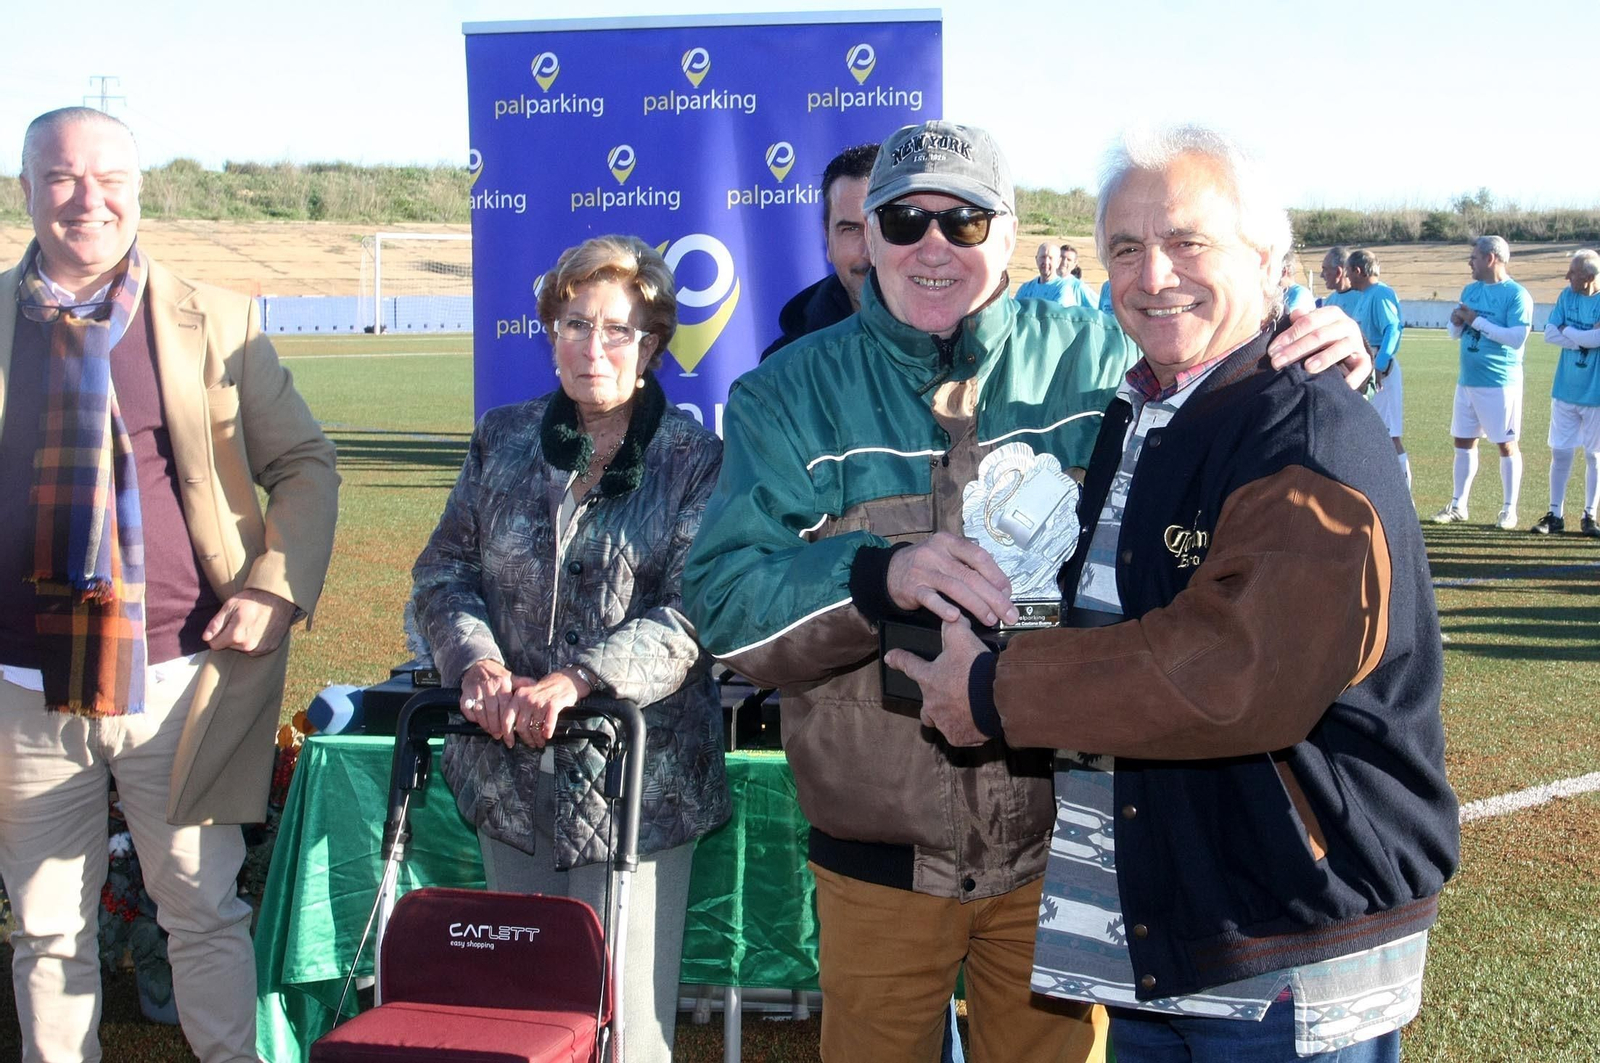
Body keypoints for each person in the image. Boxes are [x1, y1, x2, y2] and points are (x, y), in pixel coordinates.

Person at [683, 118, 1370, 1063]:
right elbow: (724, 601)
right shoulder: (788, 393)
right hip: (880, 855)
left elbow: (1227, 378)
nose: (932, 245)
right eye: (904, 220)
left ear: (1008, 235)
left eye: (963, 222)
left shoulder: (1103, 363)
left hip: (1070, 851)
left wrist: (1304, 346)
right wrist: (878, 575)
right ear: (862, 237)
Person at [890, 124, 1457, 1062]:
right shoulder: (1147, 404)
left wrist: (994, 691)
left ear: (1268, 259)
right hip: (1175, 931)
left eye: (1189, 242)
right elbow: (1119, 615)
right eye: (1125, 247)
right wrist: (957, 608)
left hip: (1285, 946)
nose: (1154, 275)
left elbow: (1233, 666)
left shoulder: (1303, 418)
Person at [0, 107, 339, 1062]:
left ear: (138, 190)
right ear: (26, 188)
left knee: (201, 914)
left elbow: (307, 464)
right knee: (46, 929)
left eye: (107, 176)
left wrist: (274, 587)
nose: (86, 197)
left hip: (183, 680)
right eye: (61, 177)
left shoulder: (213, 318)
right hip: (23, 688)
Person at [410, 234, 729, 1063]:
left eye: (618, 330)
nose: (594, 347)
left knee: (624, 1024)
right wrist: (476, 663)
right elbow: (444, 572)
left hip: (639, 784)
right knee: (525, 1012)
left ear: (652, 346)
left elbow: (691, 613)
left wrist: (577, 678)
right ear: (550, 331)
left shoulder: (693, 458)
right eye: (574, 324)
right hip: (509, 777)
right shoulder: (502, 439)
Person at [1432, 235, 1532, 528]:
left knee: (1506, 444)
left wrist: (1476, 321)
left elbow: (1516, 338)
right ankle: (1458, 505)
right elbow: (1453, 334)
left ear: (1490, 259)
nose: (1469, 263)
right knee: (1463, 442)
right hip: (1467, 381)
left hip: (1500, 381)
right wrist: (1456, 321)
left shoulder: (1517, 295)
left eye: (1474, 257)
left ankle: (1508, 509)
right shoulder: (1470, 290)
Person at [761, 142, 879, 359]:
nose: (868, 252)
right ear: (827, 239)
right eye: (851, 229)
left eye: (881, 228)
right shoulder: (785, 366)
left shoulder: (958, 351)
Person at [1531, 249, 1600, 535]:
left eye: (1572, 273)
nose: (1566, 276)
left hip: (1595, 393)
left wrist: (1568, 331)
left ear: (1589, 278)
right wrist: (1583, 337)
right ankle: (1555, 514)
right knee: (1560, 452)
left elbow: (1598, 337)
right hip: (1564, 389)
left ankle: (1589, 515)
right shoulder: (1565, 296)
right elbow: (1549, 333)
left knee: (1594, 455)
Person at [1347, 249, 1410, 489]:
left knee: (1389, 435)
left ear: (1358, 270)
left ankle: (1404, 494)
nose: (1348, 279)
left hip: (1380, 372)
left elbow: (1392, 329)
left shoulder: (1381, 293)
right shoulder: (1366, 295)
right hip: (1368, 369)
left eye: (1350, 272)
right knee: (1369, 433)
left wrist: (1380, 365)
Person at [1318, 244, 1361, 315]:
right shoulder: (1329, 302)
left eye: (1325, 270)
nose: (1321, 275)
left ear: (1338, 272)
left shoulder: (1363, 300)